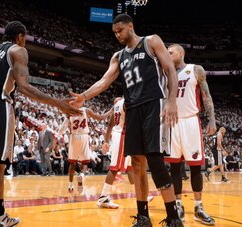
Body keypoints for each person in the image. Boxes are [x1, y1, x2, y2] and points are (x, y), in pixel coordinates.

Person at [0, 21, 81, 227]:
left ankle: (0, 217)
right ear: (20, 36)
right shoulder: (18, 50)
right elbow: (23, 87)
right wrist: (57, 103)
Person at [70, 14, 182, 226]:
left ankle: (174, 218)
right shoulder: (118, 56)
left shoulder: (151, 41)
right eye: (114, 33)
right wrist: (84, 96)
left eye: (120, 30)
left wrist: (172, 100)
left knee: (155, 162)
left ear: (131, 26)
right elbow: (104, 81)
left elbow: (169, 69)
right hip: (133, 109)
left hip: (154, 104)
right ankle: (143, 217)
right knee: (137, 165)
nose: (117, 35)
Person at [165, 44, 216, 225]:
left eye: (170, 52)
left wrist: (212, 119)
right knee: (175, 168)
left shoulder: (195, 69)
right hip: (171, 123)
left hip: (191, 121)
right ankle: (178, 204)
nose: (168, 54)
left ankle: (198, 207)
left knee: (195, 167)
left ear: (181, 53)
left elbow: (206, 95)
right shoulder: (165, 73)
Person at [96, 97, 153, 209]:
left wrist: (106, 141)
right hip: (122, 136)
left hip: (121, 136)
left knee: (130, 167)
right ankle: (103, 197)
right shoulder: (127, 103)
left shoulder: (116, 105)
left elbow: (110, 125)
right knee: (114, 168)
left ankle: (141, 195)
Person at [57, 100, 112, 192]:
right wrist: (110, 111)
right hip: (84, 137)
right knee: (85, 162)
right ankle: (82, 175)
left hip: (74, 137)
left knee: (72, 163)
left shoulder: (69, 112)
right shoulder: (86, 110)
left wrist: (58, 135)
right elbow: (100, 118)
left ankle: (70, 185)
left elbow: (64, 126)